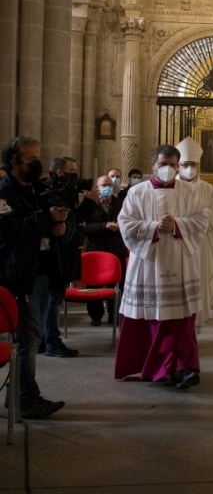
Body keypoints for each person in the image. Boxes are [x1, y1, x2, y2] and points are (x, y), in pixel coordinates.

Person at [114, 145, 210, 390]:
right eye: (162, 164)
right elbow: (125, 224)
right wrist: (154, 228)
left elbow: (201, 220)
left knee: (181, 320)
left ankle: (182, 367)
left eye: (172, 164)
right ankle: (158, 366)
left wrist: (176, 225)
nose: (167, 169)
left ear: (178, 167)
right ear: (152, 165)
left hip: (180, 262)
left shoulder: (189, 191)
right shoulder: (137, 193)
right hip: (148, 263)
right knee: (152, 318)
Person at [0, 137, 75, 418]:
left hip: (45, 272)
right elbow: (10, 231)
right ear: (14, 161)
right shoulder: (4, 193)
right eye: (30, 159)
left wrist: (61, 227)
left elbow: (64, 225)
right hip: (20, 275)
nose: (37, 163)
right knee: (28, 339)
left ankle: (21, 395)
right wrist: (46, 218)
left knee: (33, 335)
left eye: (38, 158)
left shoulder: (40, 189)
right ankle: (25, 398)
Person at [41, 156, 96, 358]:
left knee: (54, 299)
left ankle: (44, 339)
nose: (75, 175)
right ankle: (51, 341)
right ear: (59, 173)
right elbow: (70, 222)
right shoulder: (51, 193)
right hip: (55, 257)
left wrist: (88, 204)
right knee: (52, 301)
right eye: (71, 170)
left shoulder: (66, 193)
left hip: (67, 255)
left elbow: (76, 218)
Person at [176, 137, 213, 327]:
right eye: (185, 164)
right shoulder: (169, 187)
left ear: (198, 165)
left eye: (193, 164)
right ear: (178, 166)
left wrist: (203, 214)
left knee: (198, 281)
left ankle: (196, 321)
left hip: (200, 245)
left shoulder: (207, 189)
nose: (189, 168)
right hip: (177, 244)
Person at [84, 175, 128, 326]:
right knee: (94, 284)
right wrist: (104, 226)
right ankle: (96, 315)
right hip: (97, 249)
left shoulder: (121, 204)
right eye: (104, 185)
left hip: (116, 249)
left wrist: (118, 227)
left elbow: (128, 223)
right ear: (97, 188)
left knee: (117, 283)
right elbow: (86, 228)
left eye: (109, 184)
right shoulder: (90, 205)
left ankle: (114, 315)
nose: (107, 187)